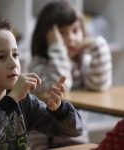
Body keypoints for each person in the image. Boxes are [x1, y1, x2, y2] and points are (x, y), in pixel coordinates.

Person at [0, 14, 84, 150]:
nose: (13, 63)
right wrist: (12, 99)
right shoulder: (13, 99)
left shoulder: (24, 101)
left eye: (15, 55)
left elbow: (75, 130)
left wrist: (59, 110)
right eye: (1, 57)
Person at [28, 0, 112, 149]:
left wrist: (97, 44)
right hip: (45, 142)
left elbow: (99, 84)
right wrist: (57, 48)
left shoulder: (81, 63)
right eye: (62, 33)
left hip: (76, 136)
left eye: (75, 31)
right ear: (47, 37)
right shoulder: (38, 64)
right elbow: (61, 88)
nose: (71, 38)